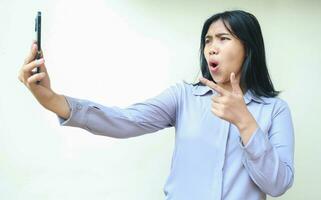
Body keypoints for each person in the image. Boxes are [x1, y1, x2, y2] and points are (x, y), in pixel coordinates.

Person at [18, 10, 294, 200]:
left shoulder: (274, 110)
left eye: (223, 39)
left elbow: (277, 184)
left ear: (249, 48)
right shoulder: (183, 97)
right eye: (207, 40)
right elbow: (124, 121)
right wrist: (52, 100)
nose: (211, 47)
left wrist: (245, 122)